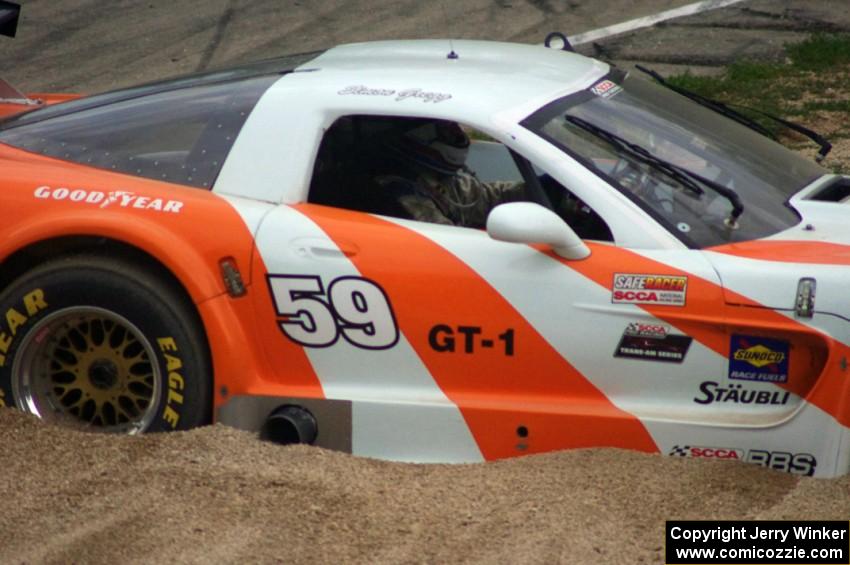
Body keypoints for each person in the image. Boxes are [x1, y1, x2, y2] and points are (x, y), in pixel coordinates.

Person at [372, 119, 526, 228]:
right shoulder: (402, 193)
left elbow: (488, 196)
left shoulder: (437, 178)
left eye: (454, 128)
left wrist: (542, 187)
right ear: (421, 136)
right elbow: (447, 240)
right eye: (446, 130)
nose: (457, 135)